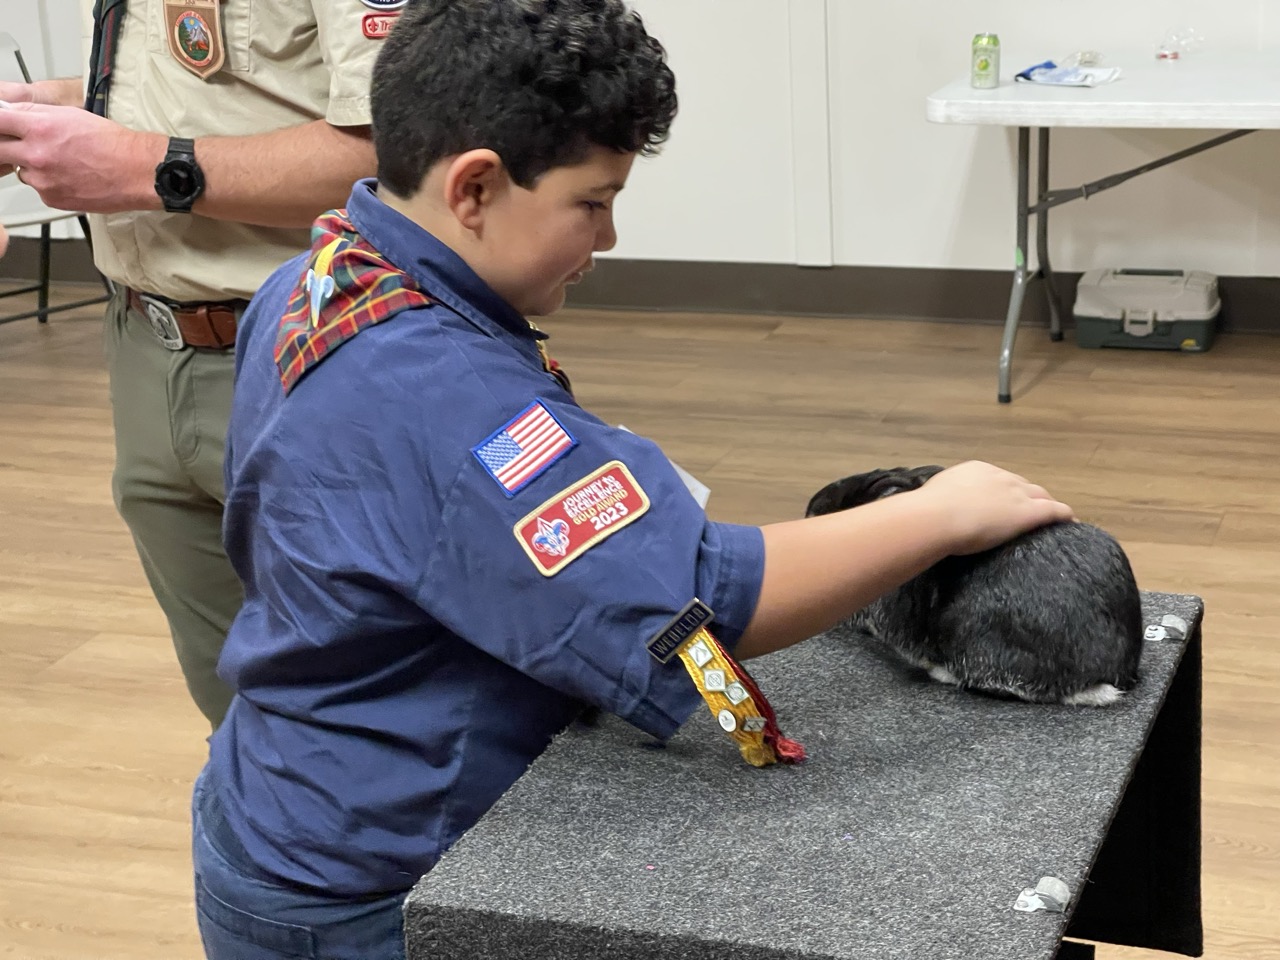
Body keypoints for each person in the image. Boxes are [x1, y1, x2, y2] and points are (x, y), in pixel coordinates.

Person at [191, 1, 1075, 957]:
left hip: (279, 793)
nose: (608, 236)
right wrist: (938, 514)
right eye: (591, 202)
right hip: (368, 880)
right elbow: (703, 601)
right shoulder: (444, 392)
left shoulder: (322, 277)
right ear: (475, 187)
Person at [0, 1, 385, 728]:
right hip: (143, 340)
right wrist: (42, 111)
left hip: (313, 352)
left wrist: (144, 166)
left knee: (371, 698)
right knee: (236, 709)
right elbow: (210, 85)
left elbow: (409, 150)